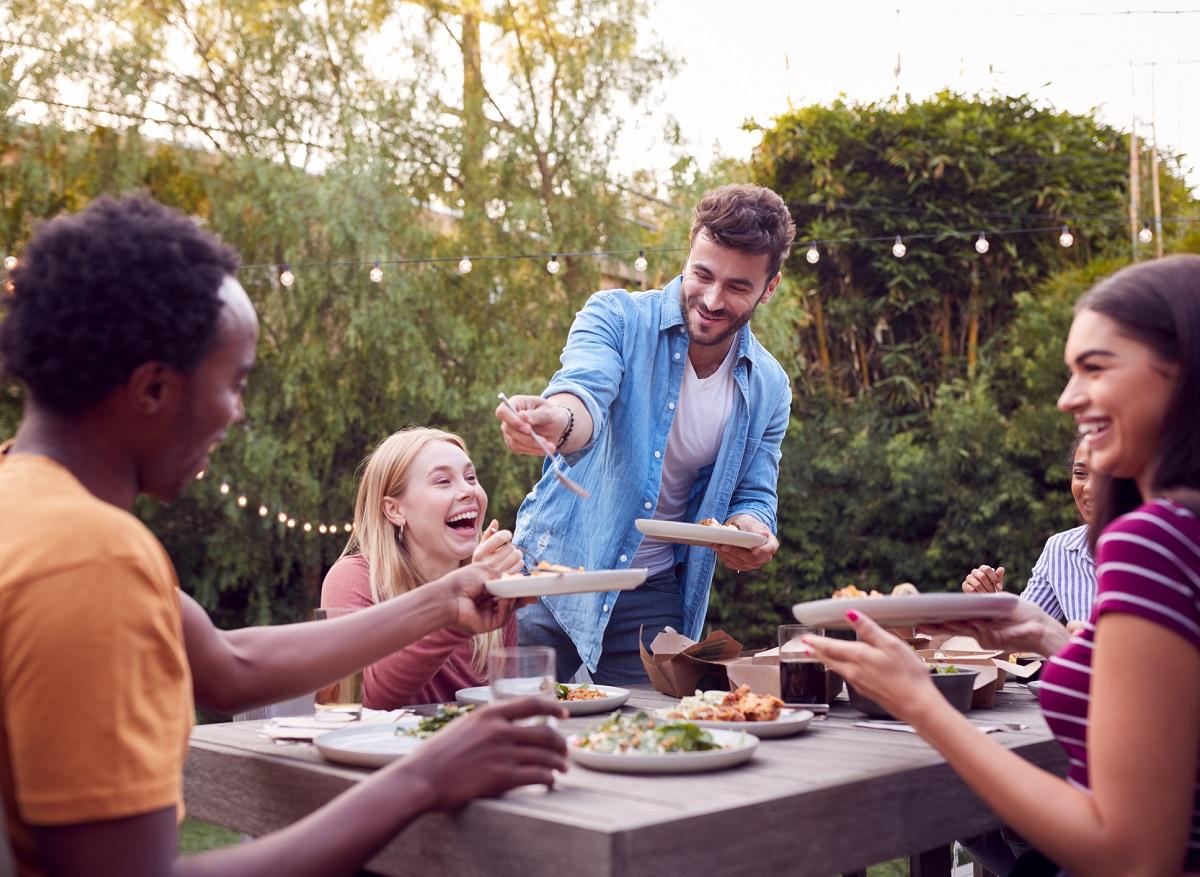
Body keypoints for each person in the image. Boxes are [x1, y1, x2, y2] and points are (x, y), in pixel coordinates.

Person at [0, 194, 566, 877]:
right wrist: (421, 779)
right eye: (234, 383)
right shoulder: (88, 559)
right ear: (153, 388)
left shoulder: (26, 506)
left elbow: (227, 666)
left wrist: (444, 598)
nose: (236, 414)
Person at [804, 254, 1200, 876]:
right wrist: (1039, 629)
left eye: (1094, 370)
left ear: (1182, 374)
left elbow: (1132, 857)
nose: (1069, 399)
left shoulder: (1151, 542)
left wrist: (919, 702)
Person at [494, 183, 796, 684]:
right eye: (702, 274)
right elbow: (583, 395)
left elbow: (754, 494)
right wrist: (556, 420)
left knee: (645, 744)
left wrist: (751, 532)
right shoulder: (614, 317)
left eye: (739, 287)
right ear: (687, 254)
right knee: (514, 735)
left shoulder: (770, 386)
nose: (713, 299)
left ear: (770, 287)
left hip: (654, 593)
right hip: (555, 573)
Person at [321, 428, 525, 706]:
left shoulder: (494, 587)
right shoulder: (355, 579)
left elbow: (504, 702)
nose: (468, 491)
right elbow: (360, 699)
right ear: (395, 510)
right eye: (443, 481)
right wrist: (454, 611)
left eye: (471, 477)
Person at [962, 438, 1097, 630]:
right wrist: (988, 604)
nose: (1089, 488)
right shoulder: (1061, 549)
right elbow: (1023, 633)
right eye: (1080, 474)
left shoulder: (1152, 547)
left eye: (1105, 475)